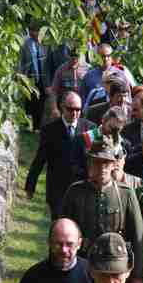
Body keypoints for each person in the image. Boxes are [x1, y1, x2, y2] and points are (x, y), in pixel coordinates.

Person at [60, 132, 143, 283]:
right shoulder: (75, 192)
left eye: (106, 163)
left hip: (115, 264)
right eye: (97, 162)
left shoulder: (125, 193)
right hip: (83, 262)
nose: (102, 168)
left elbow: (138, 237)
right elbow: (61, 232)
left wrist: (138, 275)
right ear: (89, 164)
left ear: (114, 164)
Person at [25, 91, 93, 219]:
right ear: (62, 107)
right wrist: (30, 185)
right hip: (58, 190)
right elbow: (40, 160)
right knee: (59, 225)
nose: (74, 113)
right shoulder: (49, 131)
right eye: (70, 109)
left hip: (82, 188)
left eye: (78, 109)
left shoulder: (89, 129)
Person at [18, 21, 48, 131]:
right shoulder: (26, 44)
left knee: (41, 102)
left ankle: (38, 126)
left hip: (43, 77)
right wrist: (21, 76)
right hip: (30, 77)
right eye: (30, 31)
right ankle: (29, 124)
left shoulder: (45, 44)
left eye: (34, 31)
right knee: (30, 102)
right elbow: (21, 61)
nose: (32, 33)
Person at [48, 43, 90, 118]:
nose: (74, 60)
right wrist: (54, 108)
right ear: (67, 56)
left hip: (83, 106)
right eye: (72, 58)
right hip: (67, 106)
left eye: (76, 57)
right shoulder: (61, 70)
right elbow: (54, 91)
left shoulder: (87, 69)